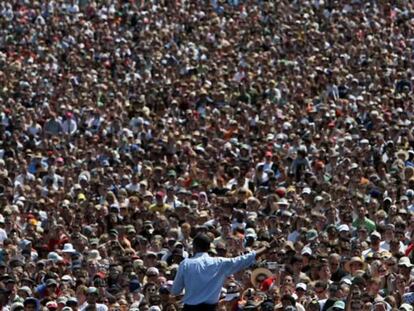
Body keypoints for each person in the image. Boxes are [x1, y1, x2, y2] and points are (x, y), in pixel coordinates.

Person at [171, 233, 278, 310]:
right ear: (209, 248)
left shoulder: (185, 264)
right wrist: (266, 247)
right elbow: (244, 259)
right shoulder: (219, 262)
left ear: (194, 247)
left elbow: (175, 290)